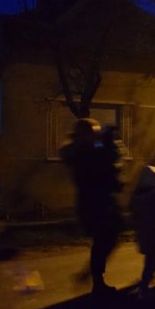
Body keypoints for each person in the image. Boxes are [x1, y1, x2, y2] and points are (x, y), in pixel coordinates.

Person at [60, 118, 125, 295]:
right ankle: (95, 279)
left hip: (98, 201)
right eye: (93, 132)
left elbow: (112, 162)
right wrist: (108, 141)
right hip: (95, 203)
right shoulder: (84, 152)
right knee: (104, 240)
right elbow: (106, 163)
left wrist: (108, 142)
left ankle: (94, 277)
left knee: (106, 240)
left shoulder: (86, 149)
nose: (97, 136)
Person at [129, 165, 155, 301]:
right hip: (154, 232)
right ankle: (144, 287)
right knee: (152, 259)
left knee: (150, 258)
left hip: (143, 232)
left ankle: (147, 281)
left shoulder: (138, 196)